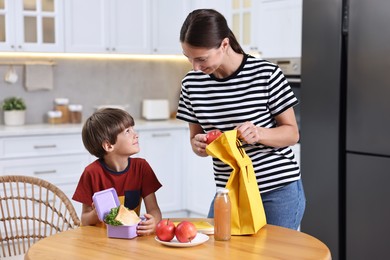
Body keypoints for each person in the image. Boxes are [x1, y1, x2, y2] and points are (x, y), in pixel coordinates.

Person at [176, 9, 305, 230]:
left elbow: (292, 134)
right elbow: (195, 140)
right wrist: (198, 145)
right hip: (228, 191)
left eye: (201, 59)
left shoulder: (266, 74)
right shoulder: (191, 84)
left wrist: (260, 133)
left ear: (224, 45)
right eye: (188, 58)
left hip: (276, 191)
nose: (195, 67)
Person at [72, 108, 162, 235]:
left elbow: (154, 210)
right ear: (109, 146)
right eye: (127, 131)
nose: (136, 134)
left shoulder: (142, 168)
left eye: (133, 129)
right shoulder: (91, 173)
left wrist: (154, 222)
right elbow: (84, 219)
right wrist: (95, 214)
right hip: (99, 242)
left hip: (130, 240)